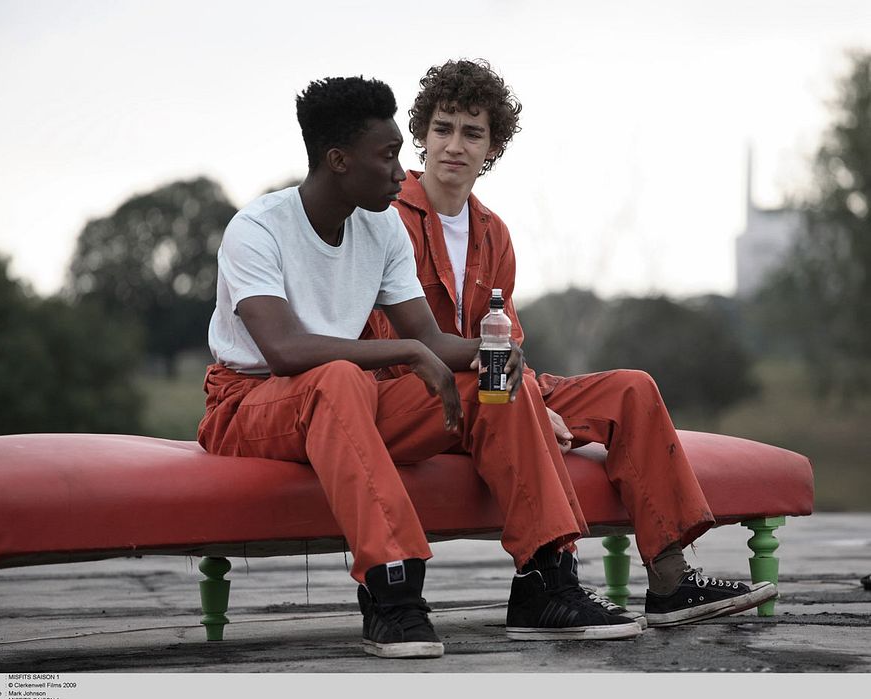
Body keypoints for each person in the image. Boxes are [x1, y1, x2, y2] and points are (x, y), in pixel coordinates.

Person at [197, 75, 645, 660]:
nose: (399, 173)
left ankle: (545, 580)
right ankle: (393, 593)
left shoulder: (380, 224)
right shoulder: (257, 228)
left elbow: (429, 338)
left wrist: (495, 353)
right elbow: (284, 351)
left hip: (346, 401)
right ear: (339, 160)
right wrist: (407, 354)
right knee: (338, 377)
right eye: (387, 157)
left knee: (493, 381)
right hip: (249, 405)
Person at [363, 58, 778, 629]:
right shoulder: (388, 217)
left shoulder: (493, 232)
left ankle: (670, 580)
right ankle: (543, 585)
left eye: (472, 133)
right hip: (417, 399)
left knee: (631, 389)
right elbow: (392, 343)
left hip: (497, 391)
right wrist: (527, 403)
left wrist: (534, 396)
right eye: (442, 128)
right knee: (504, 390)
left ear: (492, 148)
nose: (454, 145)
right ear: (422, 135)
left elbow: (508, 341)